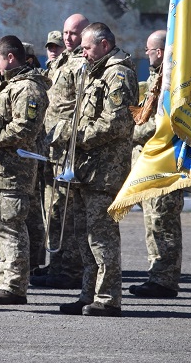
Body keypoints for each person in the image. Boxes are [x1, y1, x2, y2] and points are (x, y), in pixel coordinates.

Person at [55, 22, 138, 317]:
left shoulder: (119, 73)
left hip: (104, 171)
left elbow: (117, 123)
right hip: (84, 169)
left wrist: (74, 134)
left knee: (102, 236)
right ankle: (88, 293)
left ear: (104, 45)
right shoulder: (93, 71)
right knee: (83, 236)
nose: (83, 53)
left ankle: (108, 298)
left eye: (88, 48)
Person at [0, 35, 50, 305]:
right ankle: (4, 283)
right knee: (1, 231)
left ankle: (14, 286)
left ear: (11, 58)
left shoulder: (27, 88)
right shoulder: (9, 86)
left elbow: (24, 129)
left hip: (12, 174)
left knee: (11, 230)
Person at [32, 15, 88, 289]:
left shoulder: (82, 64)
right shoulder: (62, 61)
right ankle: (56, 264)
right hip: (50, 145)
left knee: (66, 210)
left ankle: (69, 270)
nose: (68, 37)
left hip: (67, 146)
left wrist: (63, 134)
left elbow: (81, 107)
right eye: (66, 32)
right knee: (52, 209)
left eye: (74, 33)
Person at [129, 29, 185, 298]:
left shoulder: (172, 82)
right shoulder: (155, 80)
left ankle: (165, 279)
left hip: (165, 163)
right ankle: (156, 275)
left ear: (160, 52)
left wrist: (131, 132)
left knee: (163, 222)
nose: (147, 54)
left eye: (149, 50)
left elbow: (164, 123)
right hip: (148, 163)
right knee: (152, 223)